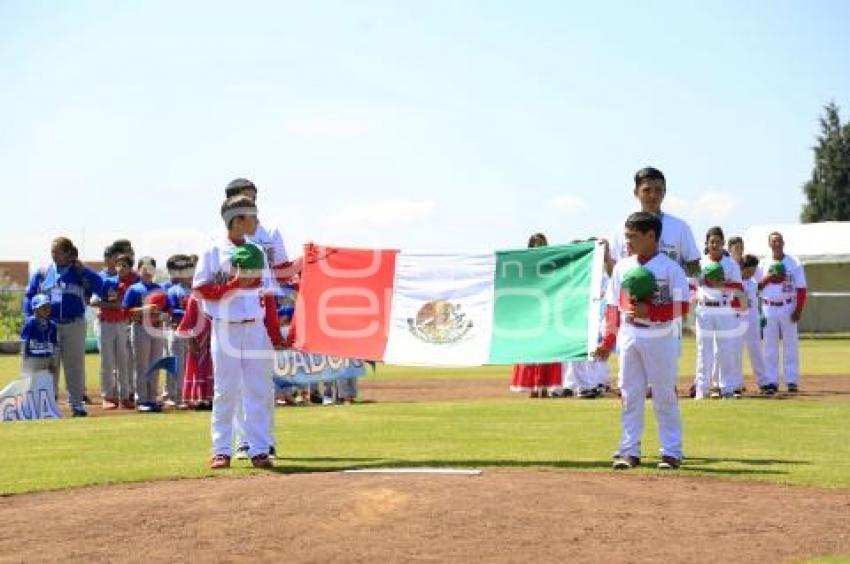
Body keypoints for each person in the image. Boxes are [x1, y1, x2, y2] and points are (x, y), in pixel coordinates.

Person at [193, 195, 285, 469]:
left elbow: (267, 295)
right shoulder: (213, 250)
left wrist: (275, 334)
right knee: (225, 390)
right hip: (225, 327)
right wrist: (233, 284)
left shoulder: (256, 250)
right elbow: (200, 289)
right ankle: (221, 449)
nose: (256, 221)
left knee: (258, 389)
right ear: (237, 219)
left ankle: (259, 448)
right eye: (252, 216)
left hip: (255, 328)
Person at [594, 212, 689, 470]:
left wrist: (654, 313)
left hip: (660, 335)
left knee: (664, 393)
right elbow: (613, 307)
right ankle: (628, 450)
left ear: (651, 236)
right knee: (629, 393)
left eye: (632, 236)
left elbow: (683, 306)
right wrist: (608, 340)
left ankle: (671, 451)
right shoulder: (623, 267)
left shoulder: (671, 268)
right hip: (629, 334)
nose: (627, 242)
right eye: (626, 236)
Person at [24, 237, 104, 417]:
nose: (53, 255)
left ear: (69, 253)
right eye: (52, 251)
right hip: (49, 325)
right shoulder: (43, 272)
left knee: (74, 365)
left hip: (74, 324)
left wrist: (84, 271)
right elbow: (29, 296)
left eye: (57, 251)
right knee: (49, 365)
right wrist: (30, 317)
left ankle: (76, 404)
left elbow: (100, 287)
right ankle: (48, 404)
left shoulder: (79, 272)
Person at [606, 167, 701, 276]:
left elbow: (694, 265)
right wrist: (605, 258)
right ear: (636, 192)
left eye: (658, 190)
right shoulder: (621, 229)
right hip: (629, 292)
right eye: (647, 190)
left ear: (664, 192)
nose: (653, 195)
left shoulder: (680, 227)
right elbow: (612, 272)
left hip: (669, 292)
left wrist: (685, 284)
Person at [692, 227, 744, 399]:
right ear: (706, 244)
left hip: (724, 307)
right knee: (703, 350)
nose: (714, 244)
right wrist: (694, 296)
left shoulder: (731, 264)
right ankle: (702, 389)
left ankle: (727, 388)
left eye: (718, 241)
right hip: (704, 309)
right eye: (711, 241)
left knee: (725, 350)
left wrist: (719, 285)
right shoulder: (699, 263)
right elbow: (690, 286)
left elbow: (738, 288)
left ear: (723, 243)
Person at [510, 233, 563, 398]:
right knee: (531, 351)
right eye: (535, 243)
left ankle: (545, 387)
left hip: (548, 312)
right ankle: (533, 387)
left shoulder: (552, 265)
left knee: (548, 350)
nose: (538, 246)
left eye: (541, 243)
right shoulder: (525, 266)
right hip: (531, 313)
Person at [759, 232, 807, 394]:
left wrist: (798, 309)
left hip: (788, 306)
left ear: (783, 243)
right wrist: (767, 278)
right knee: (769, 346)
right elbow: (756, 286)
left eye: (779, 241)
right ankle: (771, 380)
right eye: (773, 241)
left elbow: (801, 288)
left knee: (790, 345)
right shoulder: (763, 263)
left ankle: (792, 380)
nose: (776, 244)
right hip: (768, 307)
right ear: (769, 244)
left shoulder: (793, 262)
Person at [123, 256, 168, 413]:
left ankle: (152, 398)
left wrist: (162, 315)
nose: (148, 272)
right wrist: (145, 309)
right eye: (144, 268)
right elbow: (126, 310)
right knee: (141, 365)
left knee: (155, 364)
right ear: (139, 269)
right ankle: (141, 399)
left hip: (156, 328)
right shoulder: (134, 289)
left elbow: (168, 310)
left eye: (151, 268)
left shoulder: (159, 289)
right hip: (141, 327)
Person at [91, 254, 135, 409]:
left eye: (125, 265)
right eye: (119, 265)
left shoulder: (133, 284)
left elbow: (127, 306)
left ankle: (125, 396)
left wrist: (115, 305)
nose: (121, 268)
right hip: (107, 324)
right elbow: (93, 301)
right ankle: (108, 396)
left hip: (123, 324)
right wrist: (113, 305)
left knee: (124, 361)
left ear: (130, 268)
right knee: (107, 361)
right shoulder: (107, 282)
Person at [164, 254, 194, 408]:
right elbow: (172, 310)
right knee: (177, 364)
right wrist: (192, 314)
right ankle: (174, 396)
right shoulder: (174, 290)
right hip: (177, 329)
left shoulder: (196, 290)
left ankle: (187, 395)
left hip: (194, 332)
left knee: (190, 365)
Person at [737, 254, 768, 393]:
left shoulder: (753, 283)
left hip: (751, 318)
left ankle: (763, 382)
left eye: (753, 270)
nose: (751, 273)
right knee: (735, 352)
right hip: (737, 319)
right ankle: (736, 383)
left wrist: (760, 316)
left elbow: (754, 304)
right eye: (749, 270)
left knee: (756, 350)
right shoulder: (736, 281)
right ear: (742, 268)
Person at [176, 293, 213, 410]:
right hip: (198, 338)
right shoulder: (194, 298)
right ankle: (197, 398)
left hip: (215, 338)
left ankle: (210, 398)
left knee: (212, 368)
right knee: (197, 368)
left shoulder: (217, 295)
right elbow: (188, 320)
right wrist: (190, 340)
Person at [20, 294, 58, 381]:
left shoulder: (52, 325)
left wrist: (53, 361)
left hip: (47, 359)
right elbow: (24, 341)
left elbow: (54, 344)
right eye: (43, 307)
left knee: (45, 384)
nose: (46, 309)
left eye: (48, 306)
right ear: (35, 309)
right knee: (29, 383)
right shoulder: (30, 323)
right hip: (32, 359)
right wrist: (24, 359)